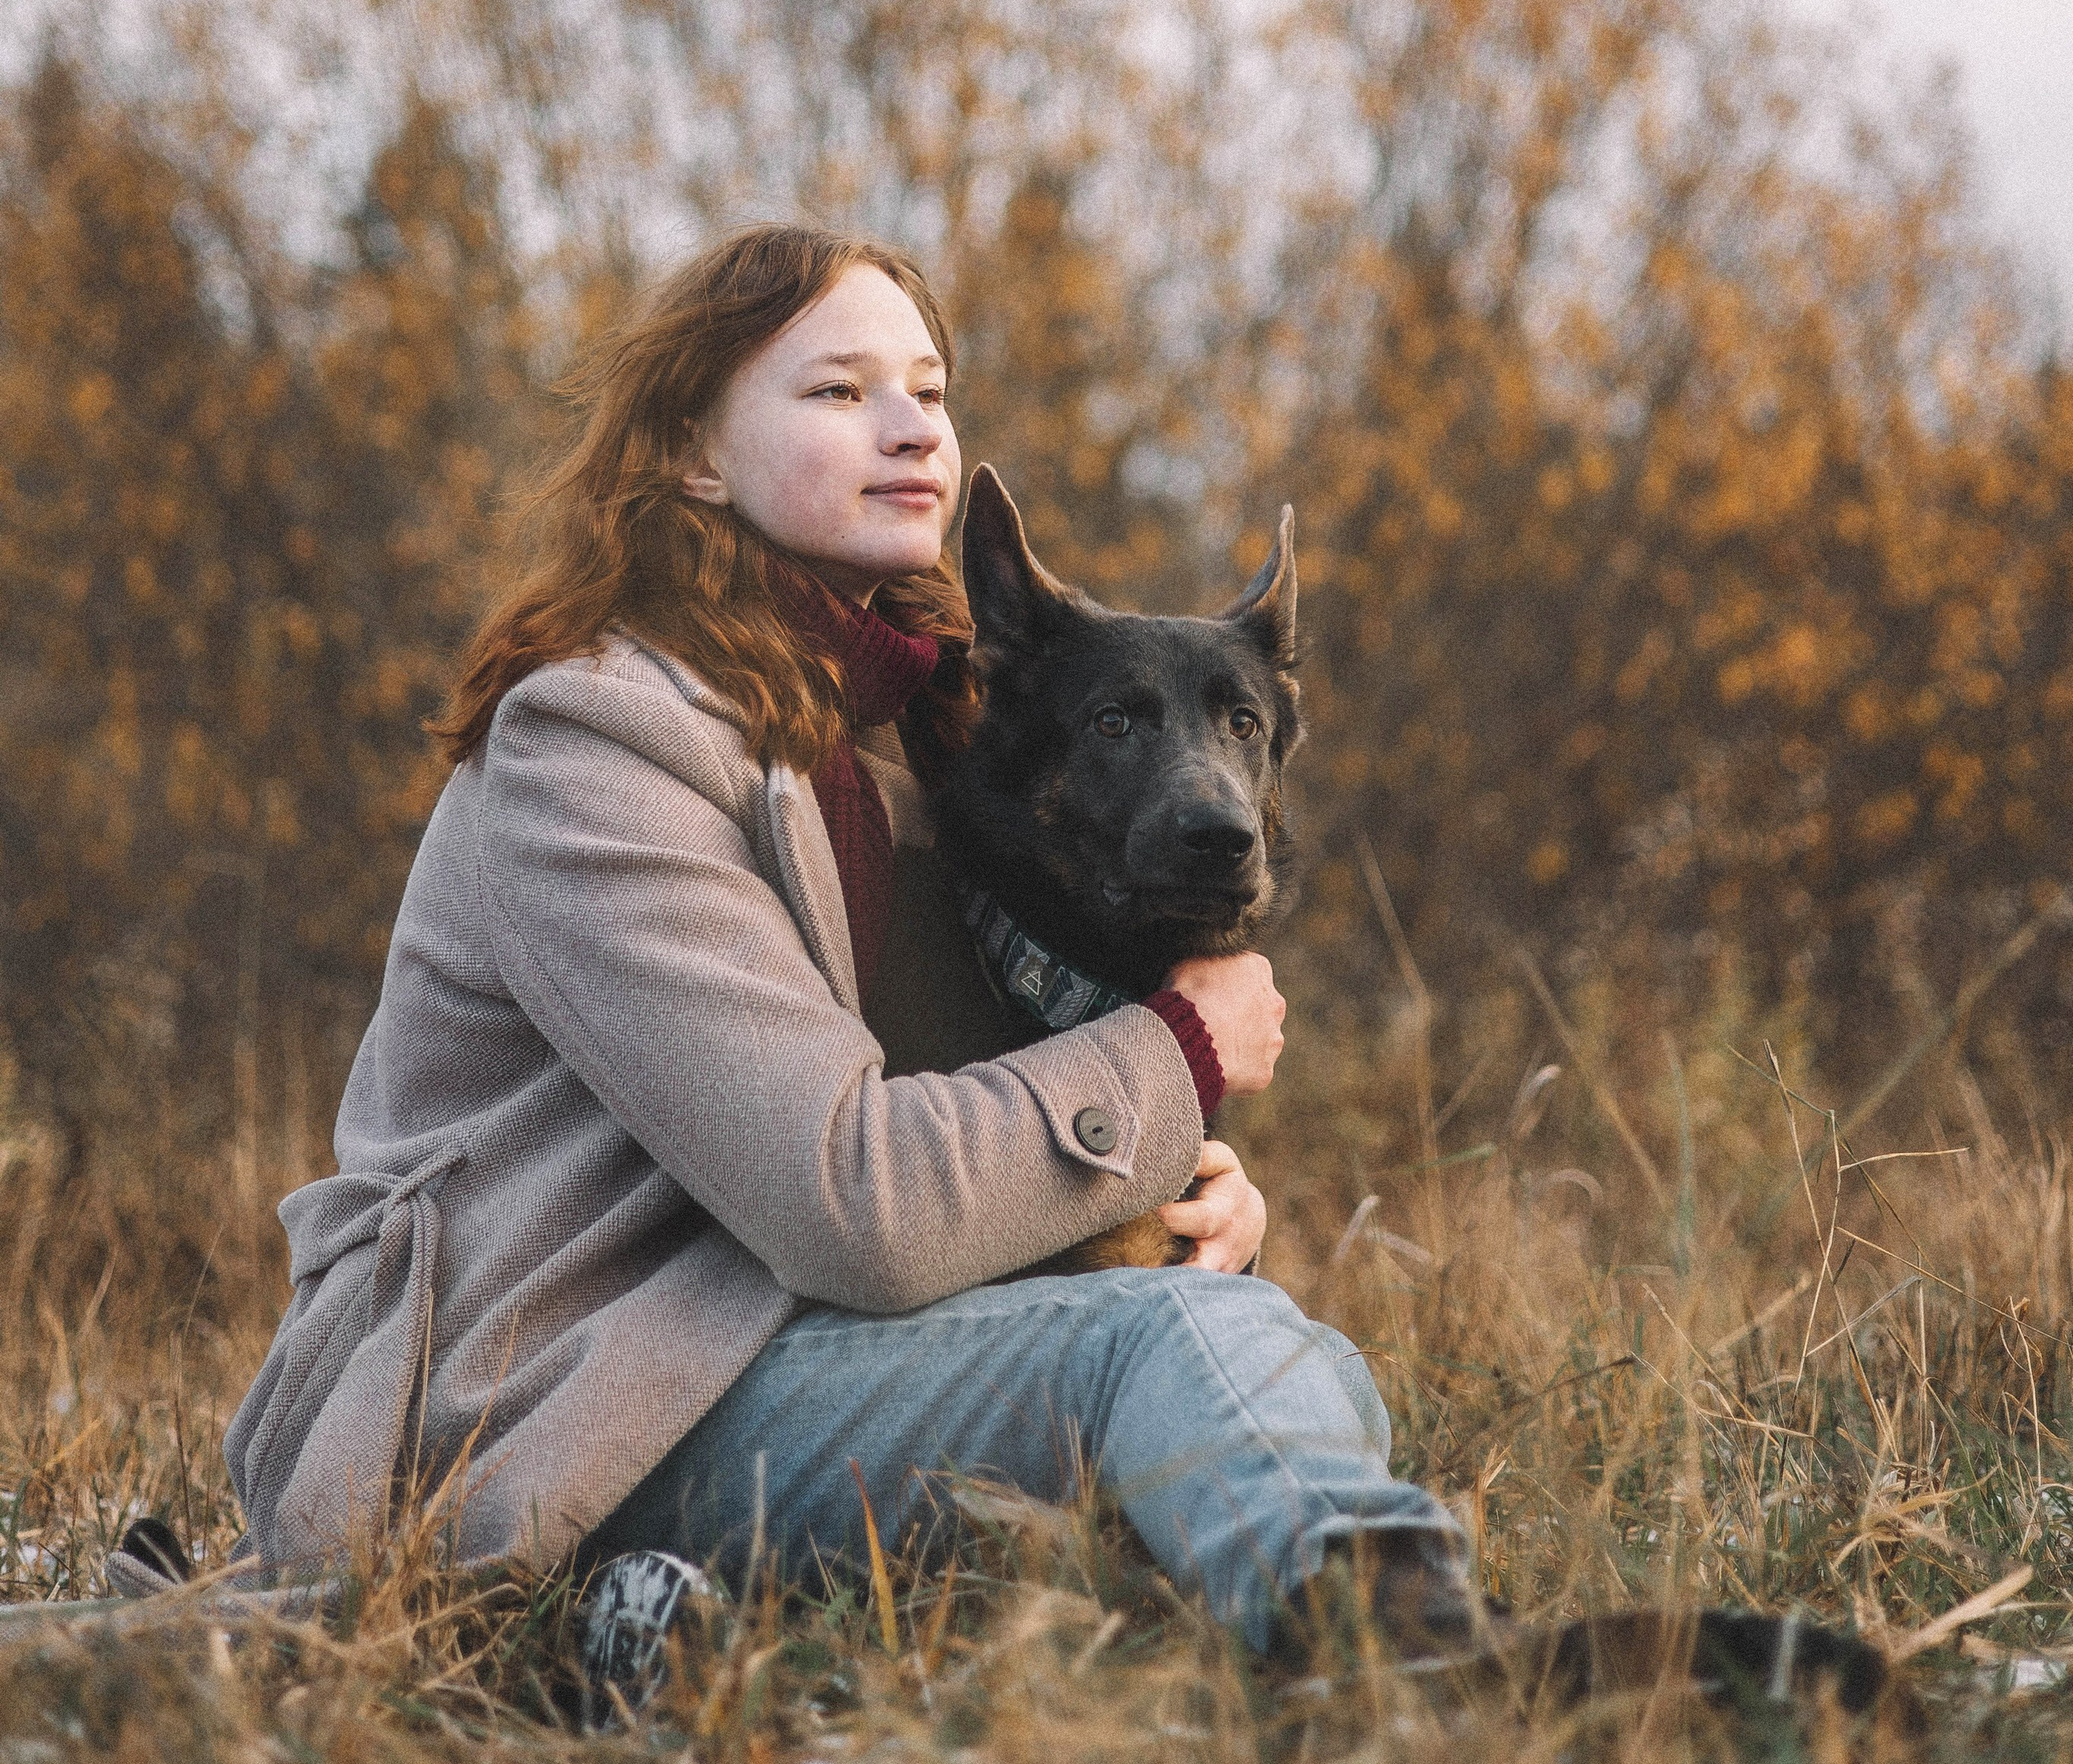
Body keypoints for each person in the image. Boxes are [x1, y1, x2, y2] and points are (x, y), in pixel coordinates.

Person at [224, 224, 1468, 1665]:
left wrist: (1180, 1200)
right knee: (1181, 1359)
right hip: (545, 1415)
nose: (909, 429)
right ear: (693, 451)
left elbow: (981, 1145)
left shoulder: (914, 754)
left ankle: (717, 1641)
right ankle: (1413, 1668)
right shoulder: (597, 739)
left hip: (779, 1364)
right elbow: (855, 1202)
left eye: (929, 392)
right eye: (837, 392)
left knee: (1296, 1362)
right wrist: (1178, 1060)